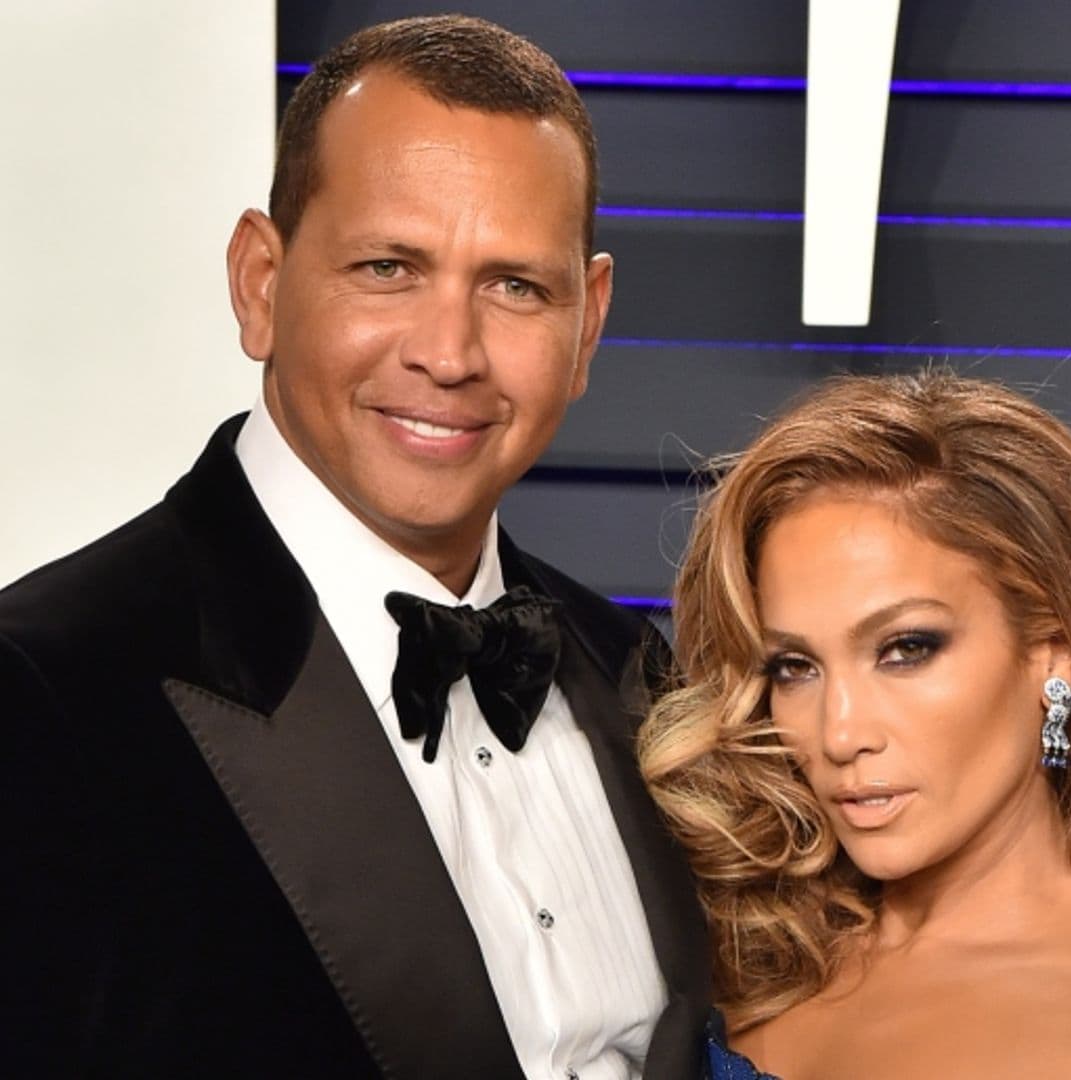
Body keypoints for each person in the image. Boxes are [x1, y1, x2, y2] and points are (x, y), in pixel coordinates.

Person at [2, 15, 709, 1078]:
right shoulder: (42, 696)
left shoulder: (646, 688)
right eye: (388, 267)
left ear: (588, 325)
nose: (450, 353)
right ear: (260, 282)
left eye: (516, 286)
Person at [639, 369, 1071, 1079]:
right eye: (794, 667)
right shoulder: (738, 953)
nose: (840, 736)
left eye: (906, 649)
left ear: (1054, 650)